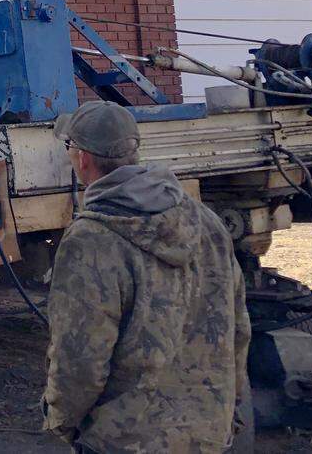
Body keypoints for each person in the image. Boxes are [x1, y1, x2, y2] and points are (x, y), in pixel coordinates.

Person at [41, 100, 251, 454]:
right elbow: (238, 329)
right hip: (208, 435)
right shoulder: (207, 223)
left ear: (82, 159)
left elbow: (80, 360)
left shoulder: (91, 241)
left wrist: (61, 421)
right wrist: (227, 409)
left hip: (125, 440)